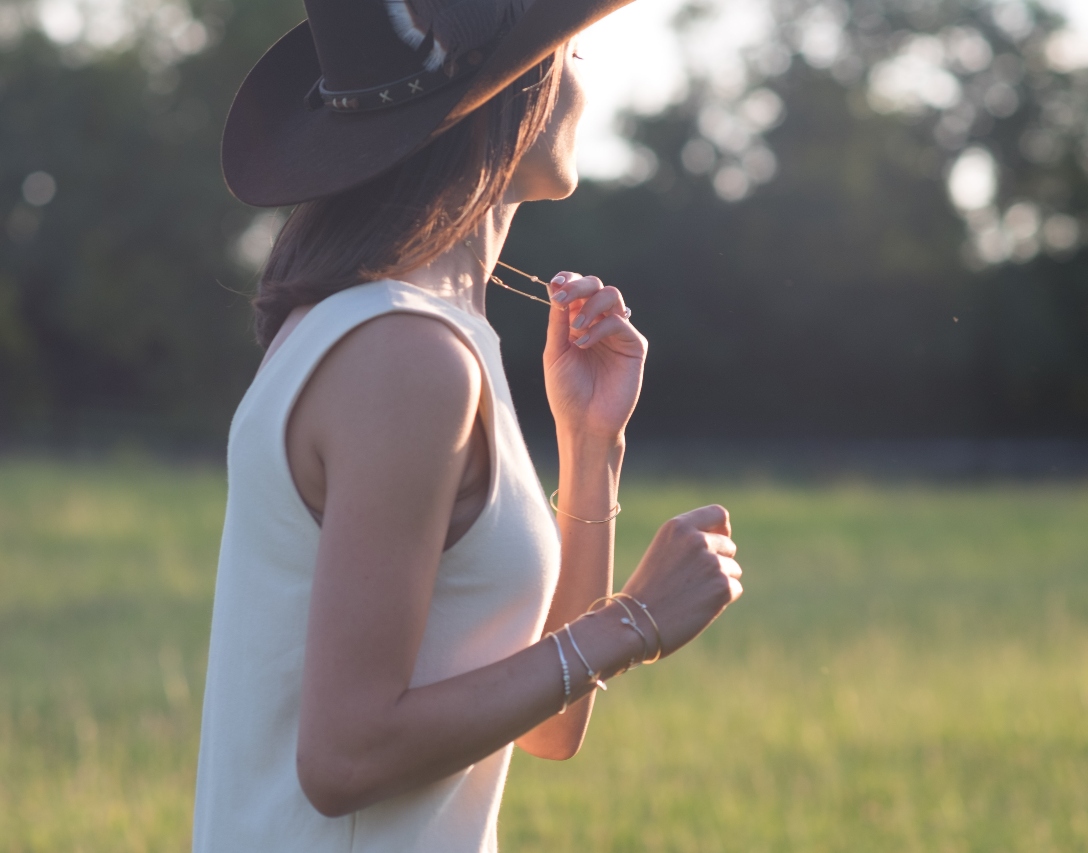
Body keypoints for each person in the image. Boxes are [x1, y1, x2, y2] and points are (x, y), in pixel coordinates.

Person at [192, 1, 744, 850]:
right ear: (511, 92)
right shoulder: (403, 353)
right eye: (574, 53)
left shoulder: (420, 333)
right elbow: (344, 758)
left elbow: (547, 728)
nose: (586, 81)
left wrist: (591, 445)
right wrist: (632, 619)